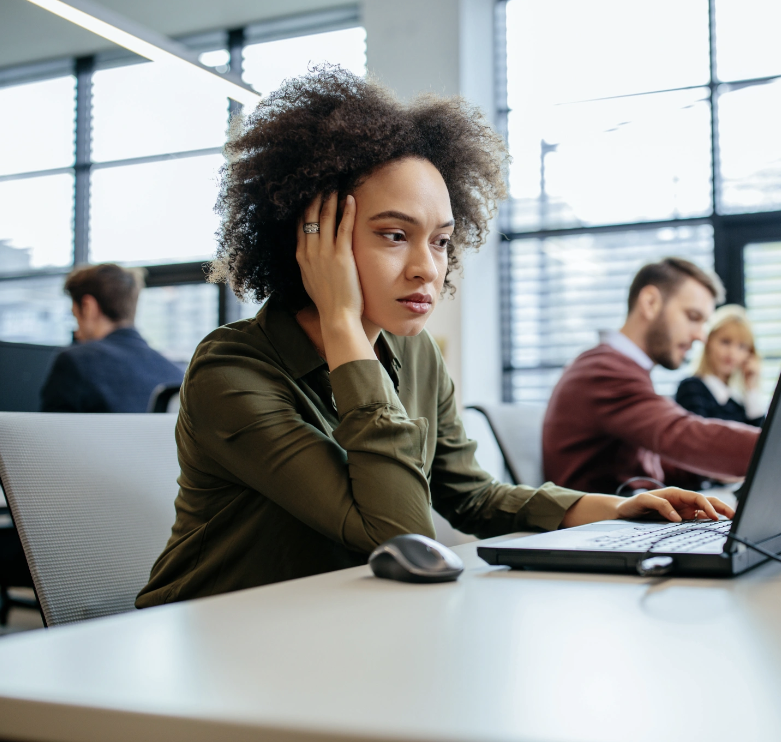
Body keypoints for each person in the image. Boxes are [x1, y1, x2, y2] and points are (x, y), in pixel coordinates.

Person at [136, 68, 731, 608]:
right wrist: (343, 324)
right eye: (395, 235)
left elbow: (470, 496)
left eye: (442, 241)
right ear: (312, 240)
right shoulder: (229, 371)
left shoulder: (413, 352)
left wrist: (612, 510)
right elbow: (400, 534)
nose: (428, 268)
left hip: (341, 626)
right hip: (214, 640)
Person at [543, 258, 781, 494]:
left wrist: (711, 469)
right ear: (650, 303)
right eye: (693, 318)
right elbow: (684, 435)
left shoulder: (623, 368)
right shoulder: (603, 371)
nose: (701, 336)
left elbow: (654, 460)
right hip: (597, 539)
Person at [39, 263, 183, 413]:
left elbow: (48, 434)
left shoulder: (74, 362)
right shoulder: (176, 373)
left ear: (88, 307)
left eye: (75, 316)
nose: (76, 332)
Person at [675, 304, 765, 426]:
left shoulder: (739, 402)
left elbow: (759, 439)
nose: (732, 353)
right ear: (708, 342)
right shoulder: (692, 388)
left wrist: (751, 388)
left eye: (742, 347)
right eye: (725, 342)